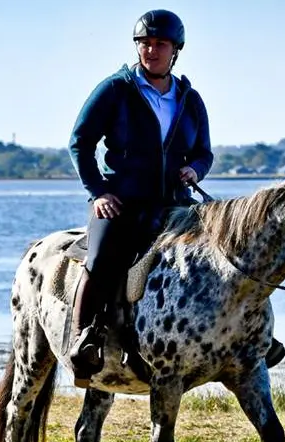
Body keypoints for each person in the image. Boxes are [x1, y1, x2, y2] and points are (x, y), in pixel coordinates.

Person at [66, 9, 214, 379]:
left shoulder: (190, 99)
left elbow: (204, 153)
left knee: (223, 250)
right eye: (145, 43)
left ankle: (244, 333)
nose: (151, 50)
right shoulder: (114, 90)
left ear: (175, 50)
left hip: (175, 203)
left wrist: (195, 170)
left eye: (160, 44)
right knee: (101, 258)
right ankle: (83, 339)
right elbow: (80, 143)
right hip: (120, 203)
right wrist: (99, 192)